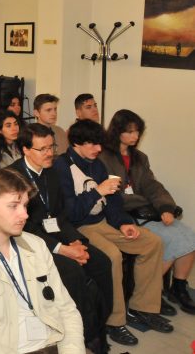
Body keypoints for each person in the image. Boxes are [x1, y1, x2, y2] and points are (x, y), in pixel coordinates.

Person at [54, 119, 171, 342]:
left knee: (152, 243)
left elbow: (114, 201)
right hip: (79, 227)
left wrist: (124, 223)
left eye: (99, 144)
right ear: (77, 143)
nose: (98, 149)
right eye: (92, 144)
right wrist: (97, 191)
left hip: (103, 222)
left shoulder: (97, 164)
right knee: (113, 255)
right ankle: (114, 321)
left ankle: (142, 307)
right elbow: (70, 214)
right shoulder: (61, 167)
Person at [0, 168, 84, 353]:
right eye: (13, 206)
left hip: (53, 342)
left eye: (25, 205)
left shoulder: (36, 246)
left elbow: (67, 310)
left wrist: (72, 350)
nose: (25, 215)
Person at [10, 124, 113, 352]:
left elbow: (60, 216)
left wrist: (77, 241)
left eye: (52, 147)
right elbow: (22, 229)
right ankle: (84, 335)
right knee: (73, 271)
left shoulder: (52, 171)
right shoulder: (13, 178)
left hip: (56, 234)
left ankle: (99, 325)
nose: (50, 153)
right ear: (26, 150)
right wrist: (62, 249)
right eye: (43, 149)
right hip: (26, 241)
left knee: (101, 262)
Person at [101, 109, 195, 314]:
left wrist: (165, 207)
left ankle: (178, 287)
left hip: (146, 210)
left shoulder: (139, 157)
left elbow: (152, 186)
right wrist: (141, 202)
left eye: (138, 132)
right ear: (118, 131)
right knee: (169, 239)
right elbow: (112, 195)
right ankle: (148, 294)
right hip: (126, 214)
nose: (135, 136)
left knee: (189, 235)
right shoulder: (104, 156)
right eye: (130, 131)